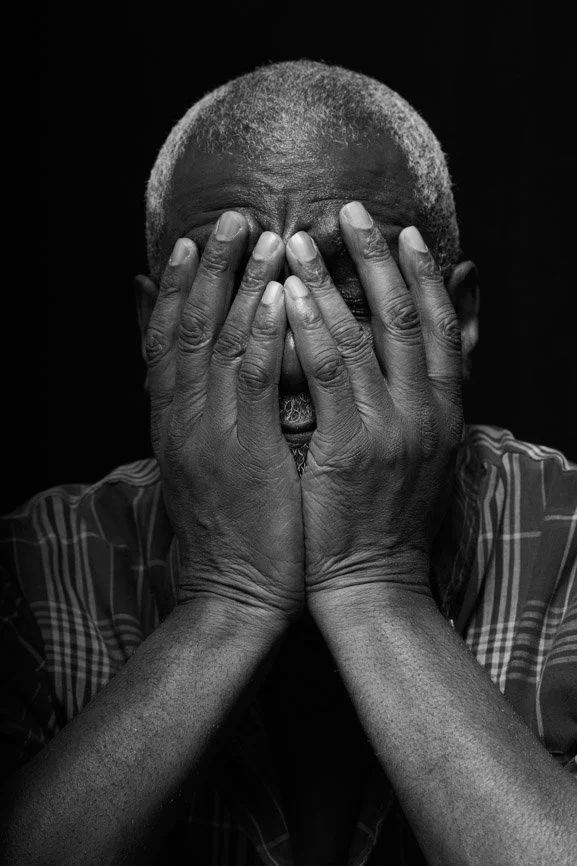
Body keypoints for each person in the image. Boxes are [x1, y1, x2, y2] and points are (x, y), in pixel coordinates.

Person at [1, 59, 575, 866]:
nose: (296, 354)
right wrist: (226, 600)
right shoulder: (35, 566)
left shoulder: (566, 537)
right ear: (152, 325)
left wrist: (375, 583)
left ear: (457, 317)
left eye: (342, 288)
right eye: (232, 289)